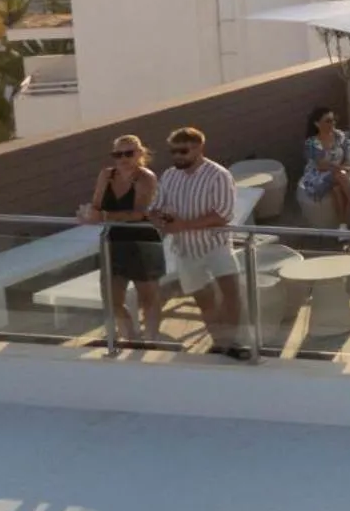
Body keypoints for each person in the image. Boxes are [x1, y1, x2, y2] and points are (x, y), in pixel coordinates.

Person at [149, 126, 249, 359]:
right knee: (204, 300)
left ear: (199, 148)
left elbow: (222, 214)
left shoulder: (218, 175)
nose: (177, 156)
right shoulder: (169, 175)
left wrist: (183, 225)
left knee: (231, 294)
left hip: (216, 246)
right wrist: (160, 220)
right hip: (185, 249)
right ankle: (219, 342)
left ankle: (232, 342)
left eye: (183, 151)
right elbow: (154, 208)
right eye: (173, 151)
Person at [80, 133, 163, 341]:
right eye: (118, 154)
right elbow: (97, 205)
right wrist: (88, 214)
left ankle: (151, 340)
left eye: (128, 153)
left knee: (148, 297)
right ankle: (131, 338)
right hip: (114, 239)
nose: (123, 158)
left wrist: (102, 216)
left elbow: (139, 213)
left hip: (142, 239)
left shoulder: (145, 177)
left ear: (139, 153)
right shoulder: (106, 175)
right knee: (111, 298)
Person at [299, 106, 350, 230]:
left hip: (339, 173)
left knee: (337, 189)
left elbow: (345, 159)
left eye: (333, 120)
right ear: (317, 124)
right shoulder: (312, 143)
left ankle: (342, 227)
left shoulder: (340, 136)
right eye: (328, 121)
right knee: (340, 175)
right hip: (317, 176)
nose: (332, 123)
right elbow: (322, 166)